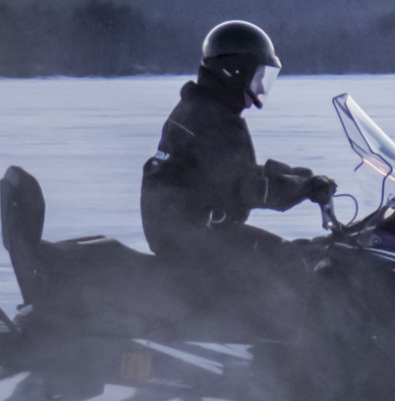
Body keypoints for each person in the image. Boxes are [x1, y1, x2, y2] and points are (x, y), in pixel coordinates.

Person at [140, 20, 335, 335]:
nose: (259, 89)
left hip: (185, 231)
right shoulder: (213, 119)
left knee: (286, 255)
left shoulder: (200, 108)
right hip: (194, 237)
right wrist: (304, 188)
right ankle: (287, 361)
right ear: (235, 71)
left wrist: (299, 177)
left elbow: (231, 172)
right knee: (290, 264)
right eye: (258, 77)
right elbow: (246, 188)